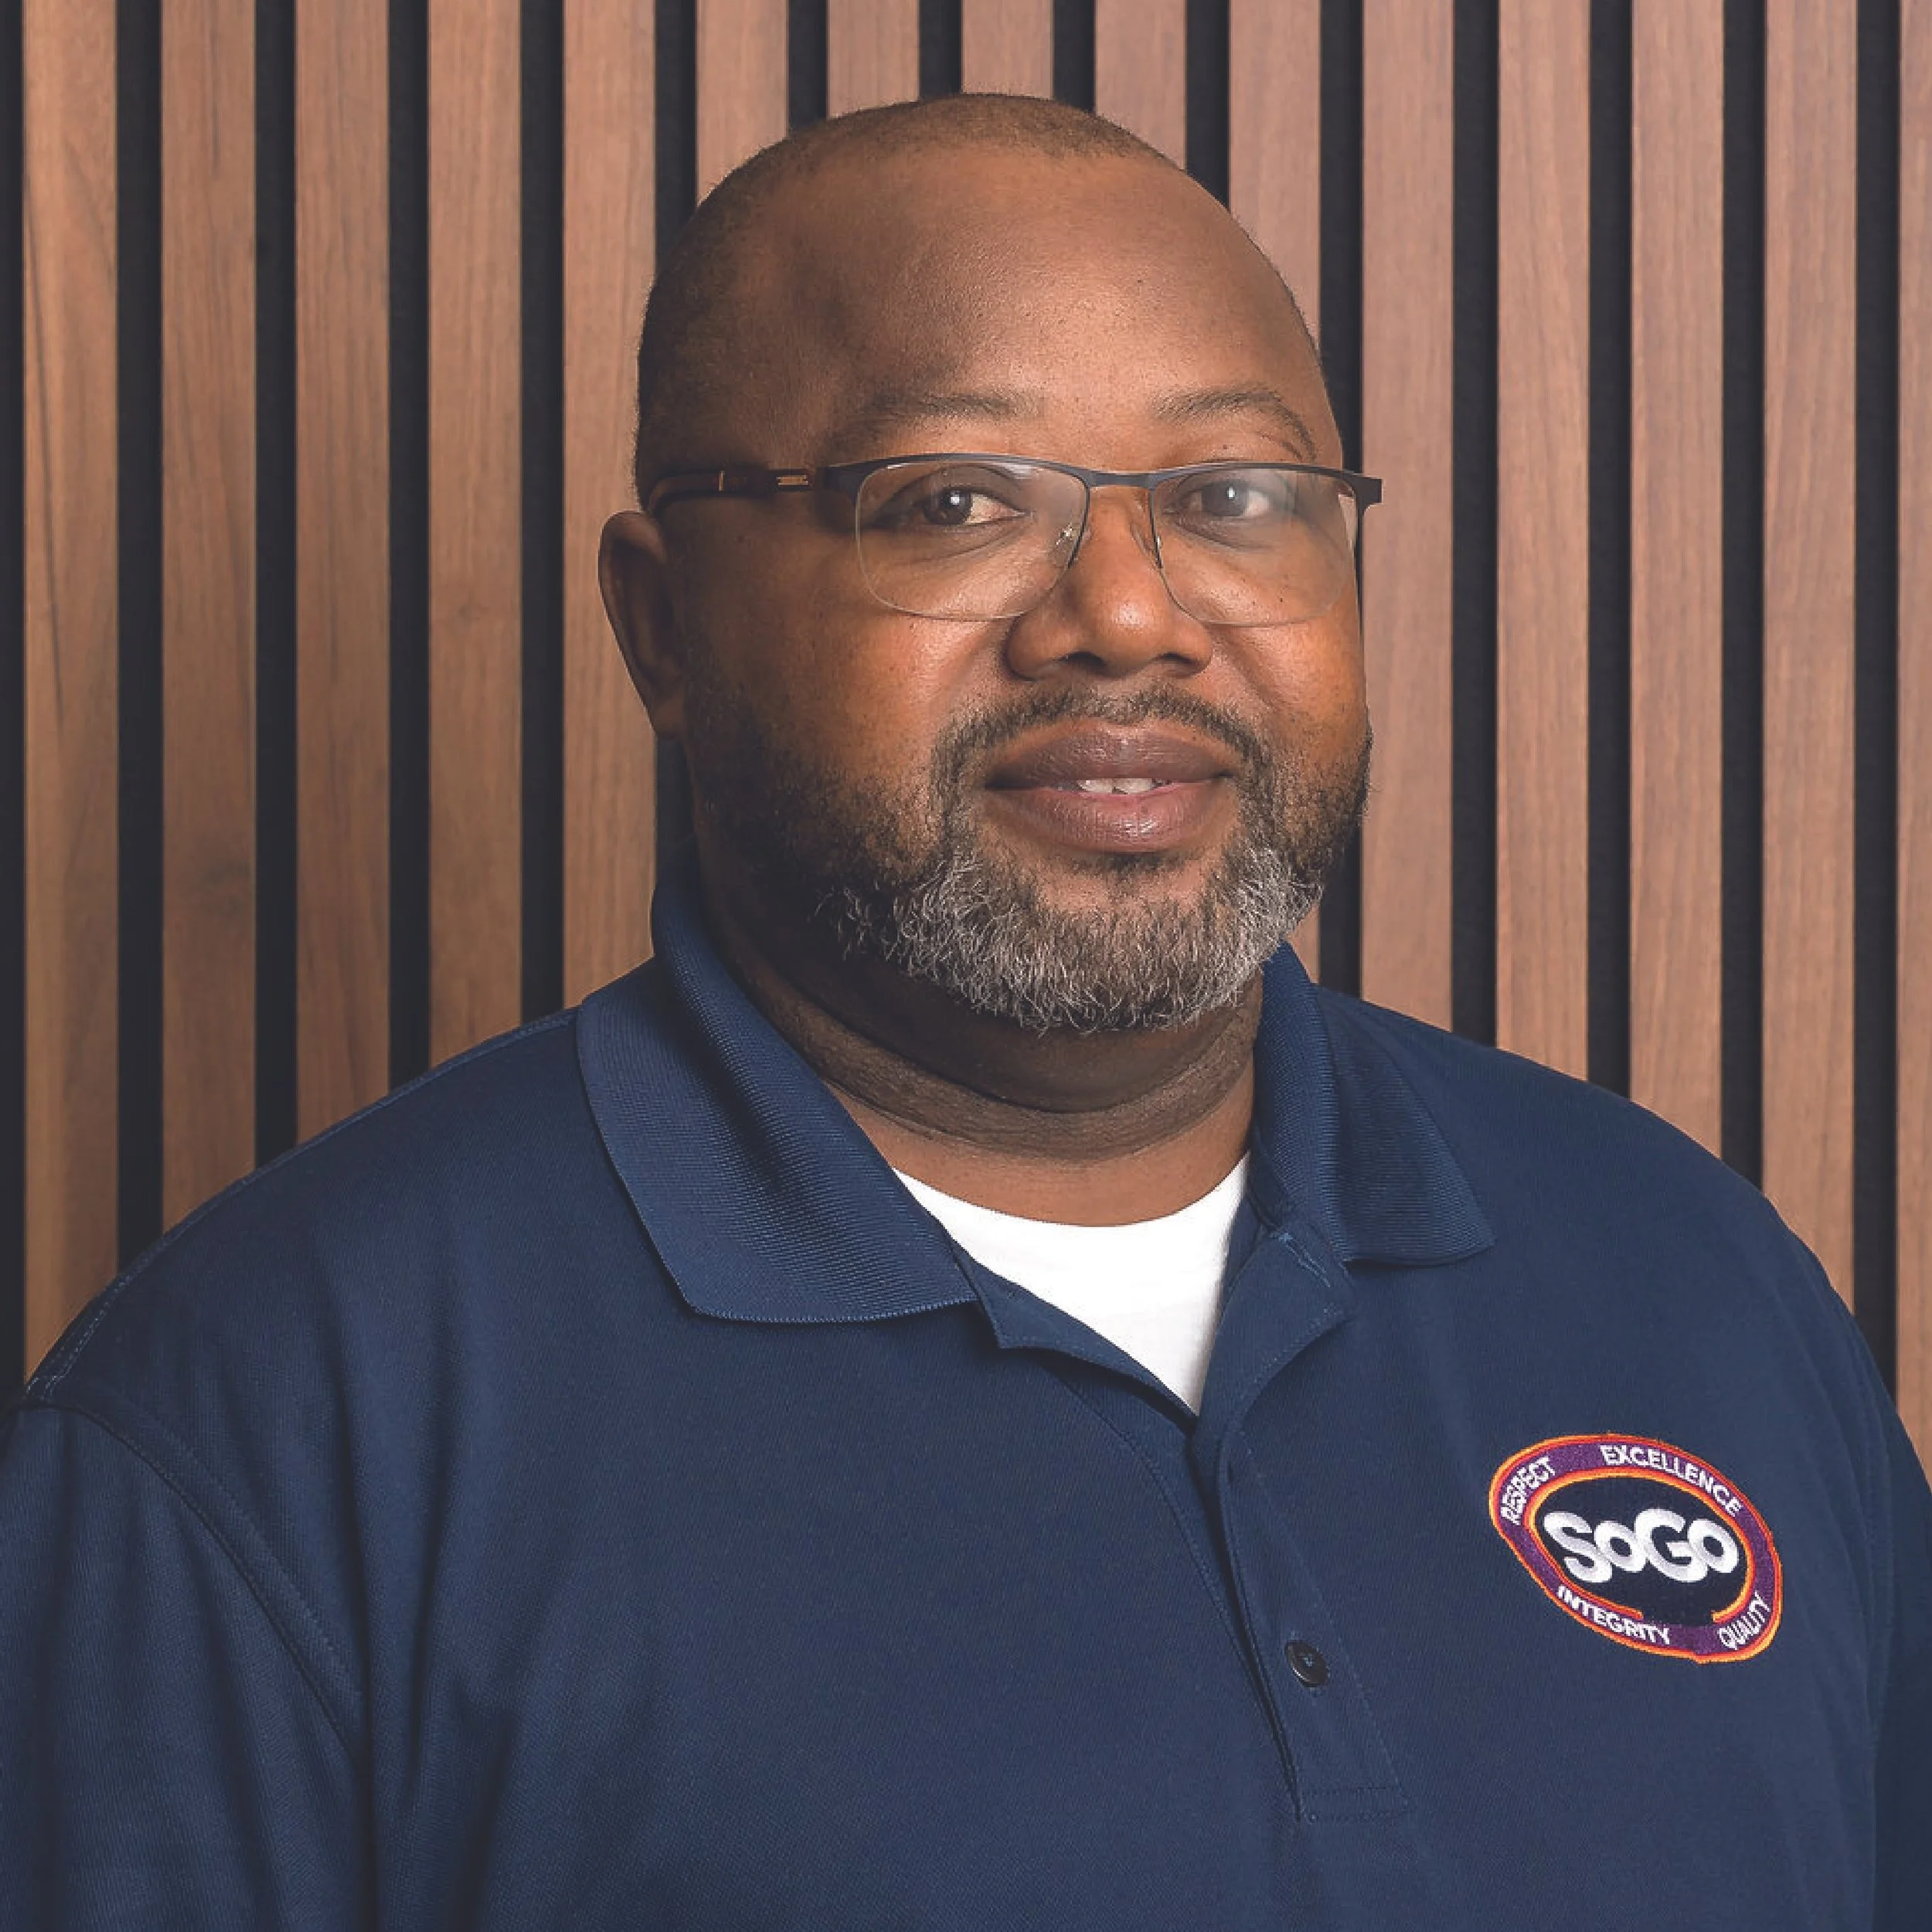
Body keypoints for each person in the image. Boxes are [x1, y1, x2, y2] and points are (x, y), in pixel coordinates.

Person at [2, 93, 1927, 1929]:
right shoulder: (271, 1417)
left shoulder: (1691, 1280)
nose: (1124, 611)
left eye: (1234, 494)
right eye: (948, 499)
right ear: (660, 626)